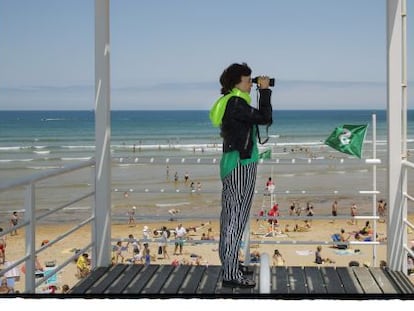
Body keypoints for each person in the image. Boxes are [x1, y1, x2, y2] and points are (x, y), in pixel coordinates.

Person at [209, 62, 273, 288]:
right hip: (239, 164)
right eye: (248, 80)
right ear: (237, 82)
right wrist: (264, 92)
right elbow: (265, 118)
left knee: (236, 217)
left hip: (241, 162)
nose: (251, 83)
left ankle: (231, 264)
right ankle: (230, 274)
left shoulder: (235, 101)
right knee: (234, 219)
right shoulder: (236, 103)